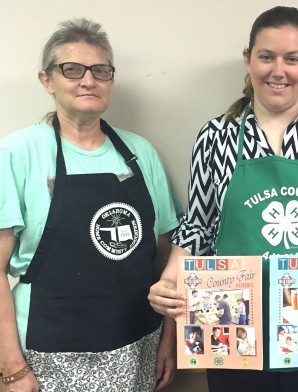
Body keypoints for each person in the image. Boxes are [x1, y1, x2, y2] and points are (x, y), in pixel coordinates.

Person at [149, 6, 298, 392]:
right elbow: (197, 229)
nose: (279, 70)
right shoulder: (215, 137)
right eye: (266, 56)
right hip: (231, 333)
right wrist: (168, 283)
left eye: (292, 58)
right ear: (248, 60)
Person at [0, 18, 179, 391]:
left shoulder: (140, 154)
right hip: (49, 350)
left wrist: (169, 338)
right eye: (72, 70)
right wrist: (14, 369)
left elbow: (166, 259)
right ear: (46, 80)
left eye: (100, 70)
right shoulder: (16, 154)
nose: (88, 80)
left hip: (136, 343)